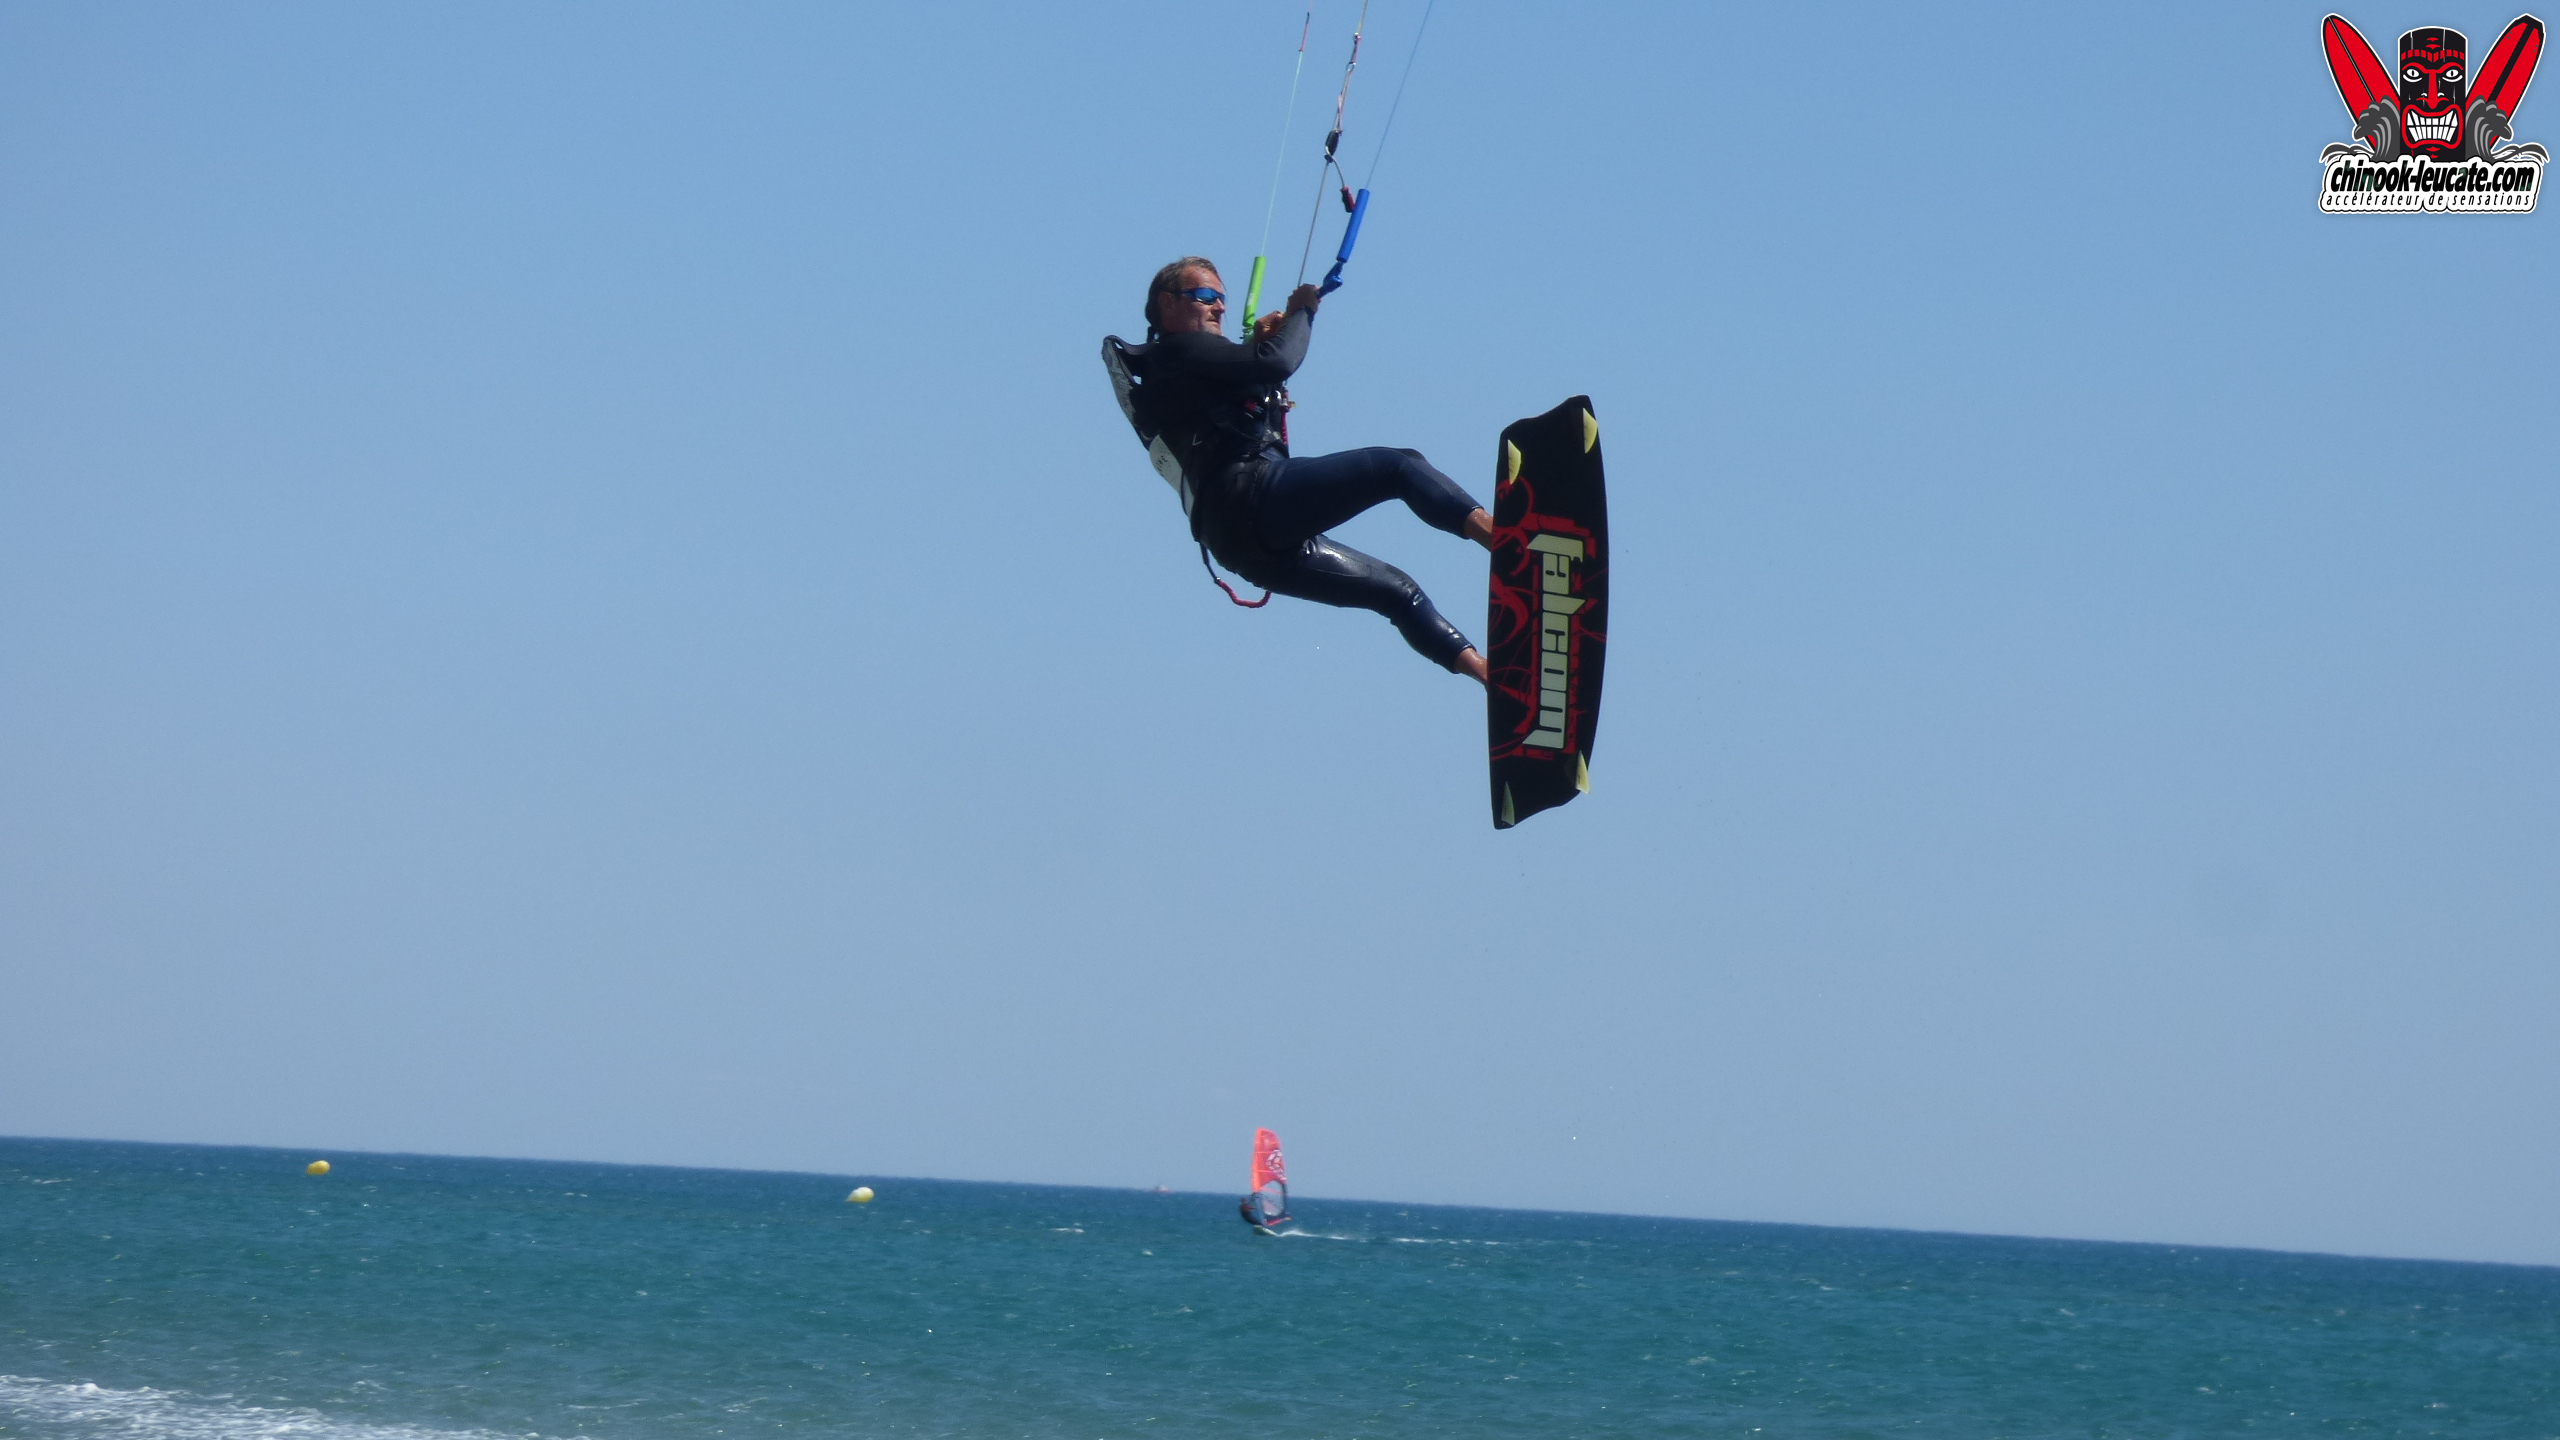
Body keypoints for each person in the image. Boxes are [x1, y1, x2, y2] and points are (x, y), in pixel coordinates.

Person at [1128, 256, 1495, 683]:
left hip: (1239, 546)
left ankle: (1493, 679)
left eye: (1221, 298)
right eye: (1205, 295)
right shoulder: (1177, 349)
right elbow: (1277, 363)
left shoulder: (1178, 370)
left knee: (1396, 592)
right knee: (1398, 465)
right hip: (1251, 496)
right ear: (1167, 304)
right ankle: (1504, 540)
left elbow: (1250, 382)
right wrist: (1303, 309)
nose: (1219, 306)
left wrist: (1260, 347)